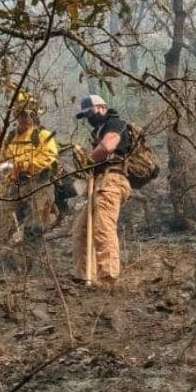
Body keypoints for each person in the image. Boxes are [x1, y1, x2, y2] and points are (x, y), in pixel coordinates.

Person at [0, 95, 61, 275]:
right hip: (14, 186)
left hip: (38, 186)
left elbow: (49, 160)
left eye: (27, 114)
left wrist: (21, 164)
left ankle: (26, 271)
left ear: (34, 115)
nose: (23, 117)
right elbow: (3, 164)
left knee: (34, 228)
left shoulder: (43, 135)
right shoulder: (11, 137)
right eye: (19, 113)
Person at [72, 93, 136, 285]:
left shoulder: (115, 124)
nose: (89, 118)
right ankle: (85, 276)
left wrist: (87, 160)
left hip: (113, 180)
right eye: (85, 116)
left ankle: (108, 278)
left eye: (90, 112)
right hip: (99, 180)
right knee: (81, 229)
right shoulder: (98, 130)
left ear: (102, 107)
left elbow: (108, 146)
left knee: (102, 227)